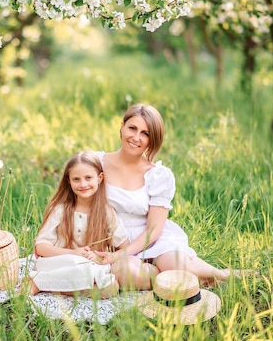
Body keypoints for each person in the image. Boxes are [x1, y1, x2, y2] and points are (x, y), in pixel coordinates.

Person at [94, 103, 251, 290]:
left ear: (153, 140)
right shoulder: (97, 162)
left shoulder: (158, 175)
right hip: (111, 239)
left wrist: (123, 253)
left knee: (178, 267)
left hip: (149, 238)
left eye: (145, 133)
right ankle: (168, 277)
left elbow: (153, 230)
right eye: (132, 128)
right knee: (129, 274)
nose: (136, 137)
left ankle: (222, 275)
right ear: (122, 127)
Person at [24, 150, 128, 299]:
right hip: (61, 263)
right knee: (76, 262)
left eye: (88, 178)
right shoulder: (60, 210)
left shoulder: (107, 213)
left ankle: (43, 284)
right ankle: (46, 281)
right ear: (69, 181)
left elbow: (125, 248)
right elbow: (40, 247)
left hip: (90, 269)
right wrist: (73, 253)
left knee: (110, 287)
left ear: (99, 178)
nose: (83, 184)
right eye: (76, 179)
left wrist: (103, 257)